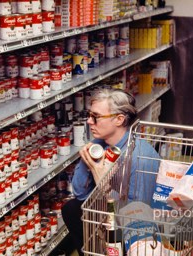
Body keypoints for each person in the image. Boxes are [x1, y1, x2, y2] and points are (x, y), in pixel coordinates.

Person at [62, 88, 160, 255]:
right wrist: (88, 164)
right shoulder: (101, 143)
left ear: (119, 119)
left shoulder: (139, 158)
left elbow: (137, 217)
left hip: (136, 226)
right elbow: (80, 194)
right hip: (110, 211)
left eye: (96, 117)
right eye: (89, 115)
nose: (89, 121)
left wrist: (105, 185)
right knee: (71, 209)